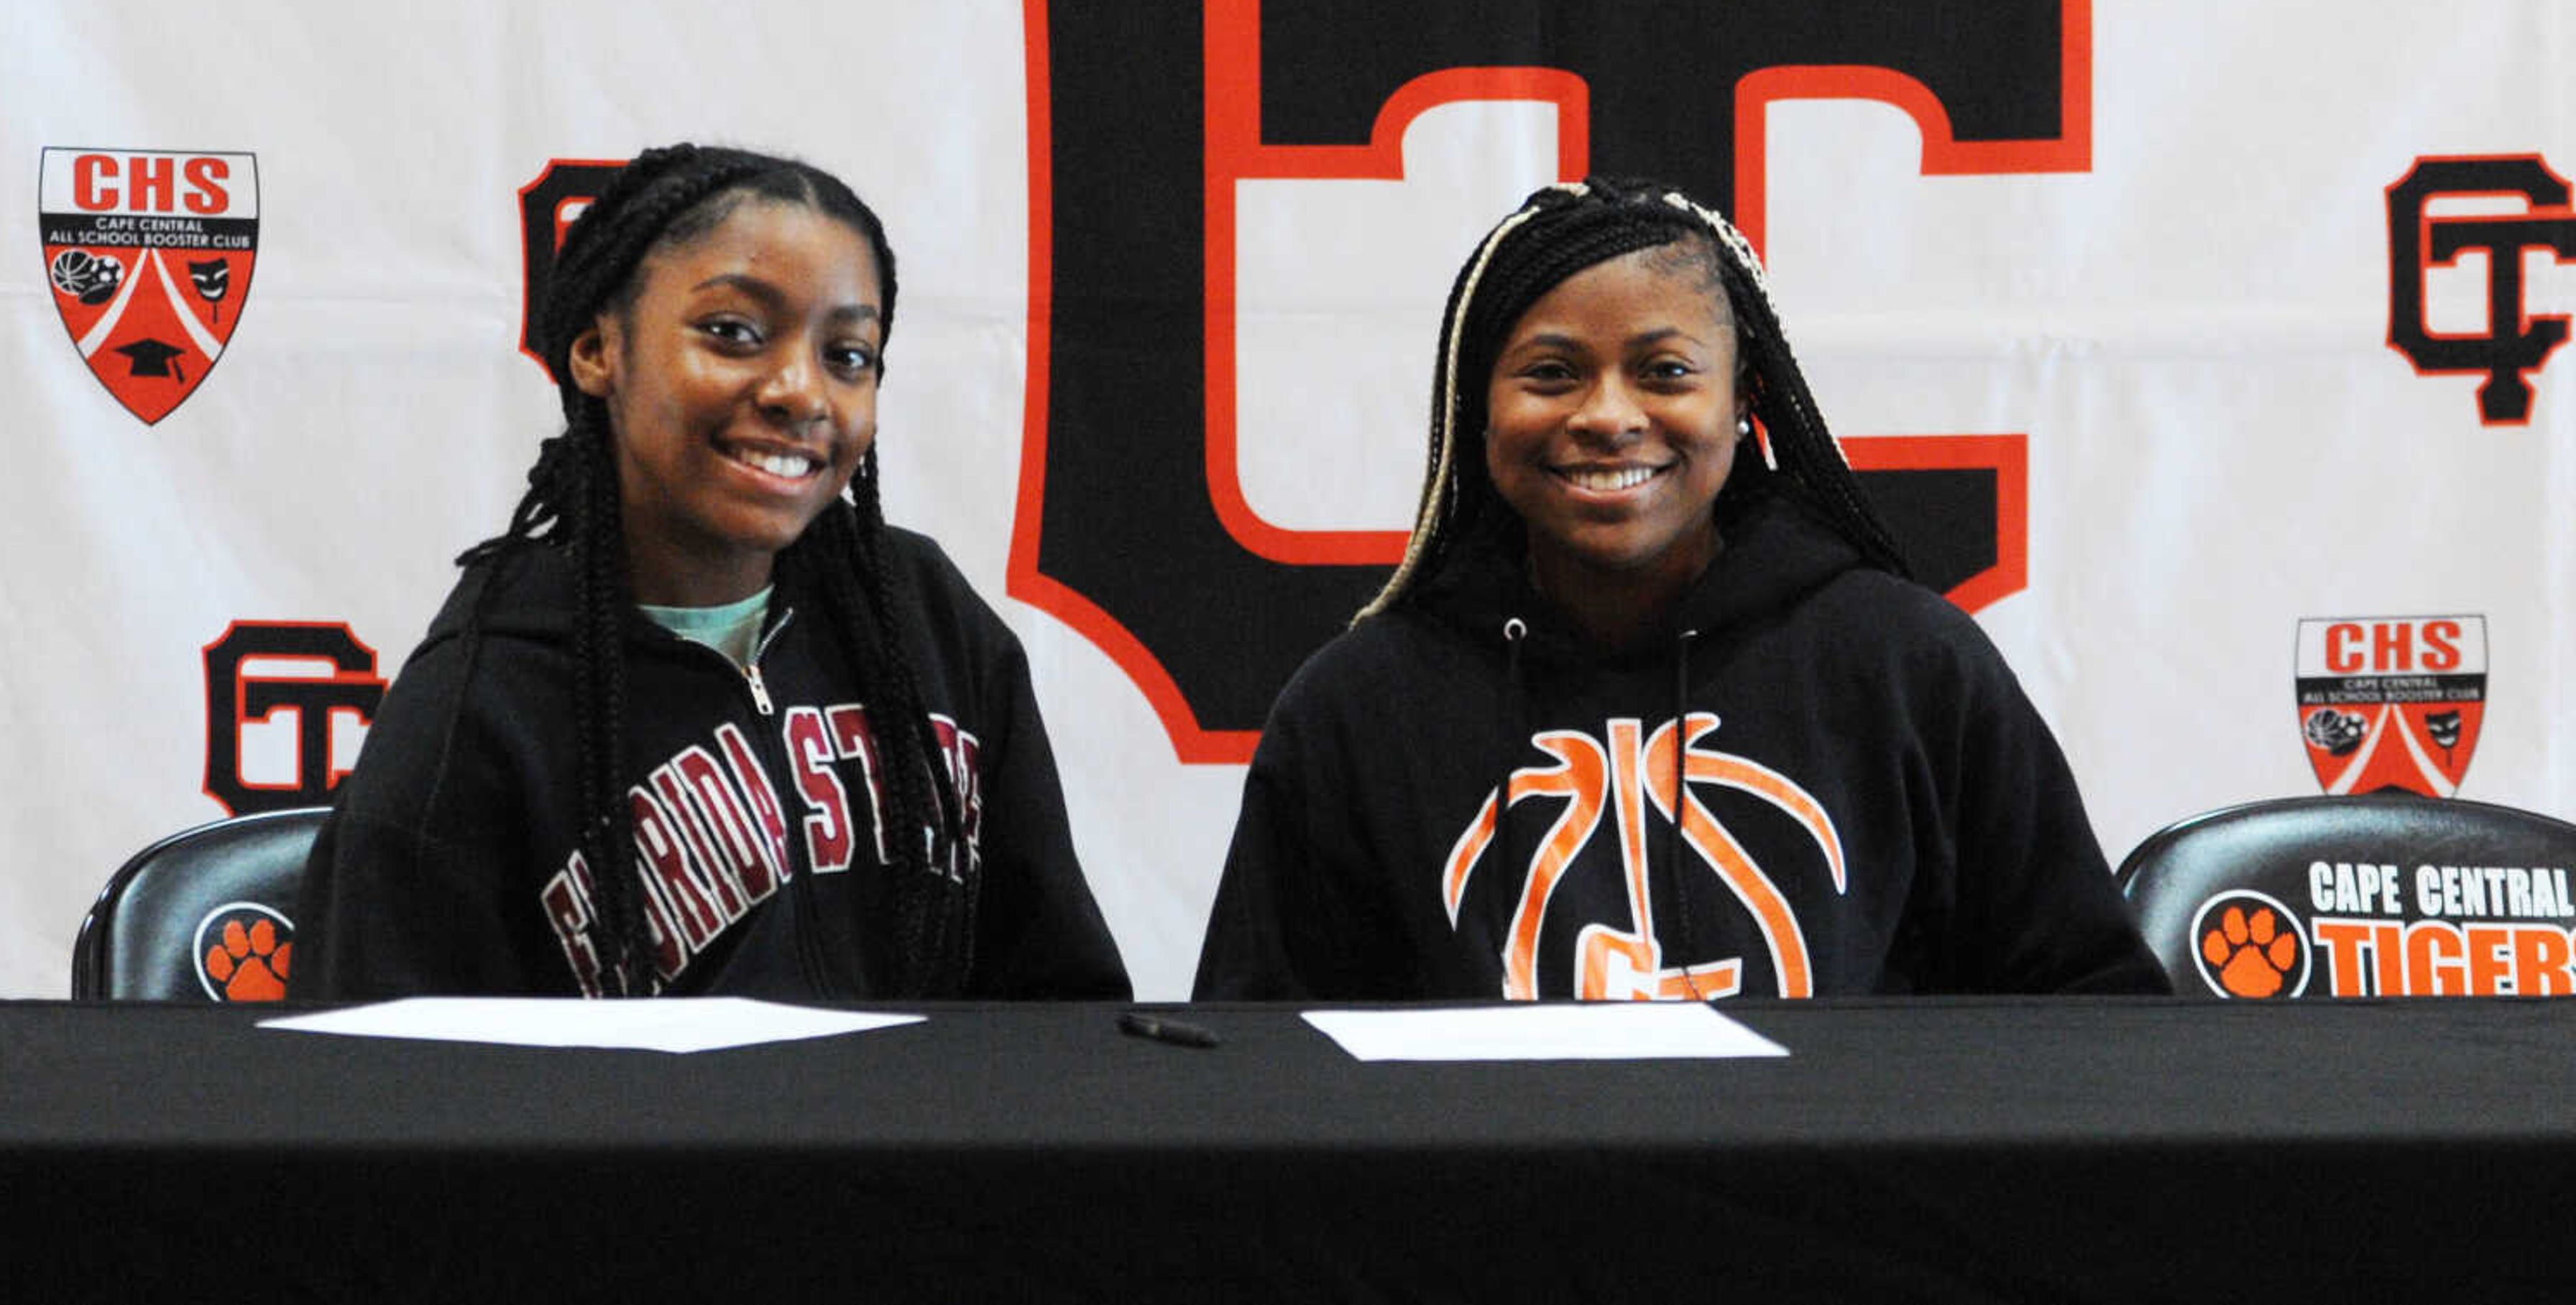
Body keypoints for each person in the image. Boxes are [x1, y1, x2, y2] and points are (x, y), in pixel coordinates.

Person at [1193, 178, 2163, 1002]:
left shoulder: (1909, 666)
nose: (1608, 416)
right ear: (1476, 411)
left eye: (1665, 371)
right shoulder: (1356, 710)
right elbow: (1254, 1076)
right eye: (1550, 373)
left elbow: (2089, 1019)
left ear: (1745, 404)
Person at [297, 144, 1128, 1000]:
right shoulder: (477, 709)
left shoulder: (921, 619)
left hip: (927, 1137)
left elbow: (1062, 1008)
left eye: (848, 355)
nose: (800, 391)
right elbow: (381, 1097)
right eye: (733, 334)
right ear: (596, 351)